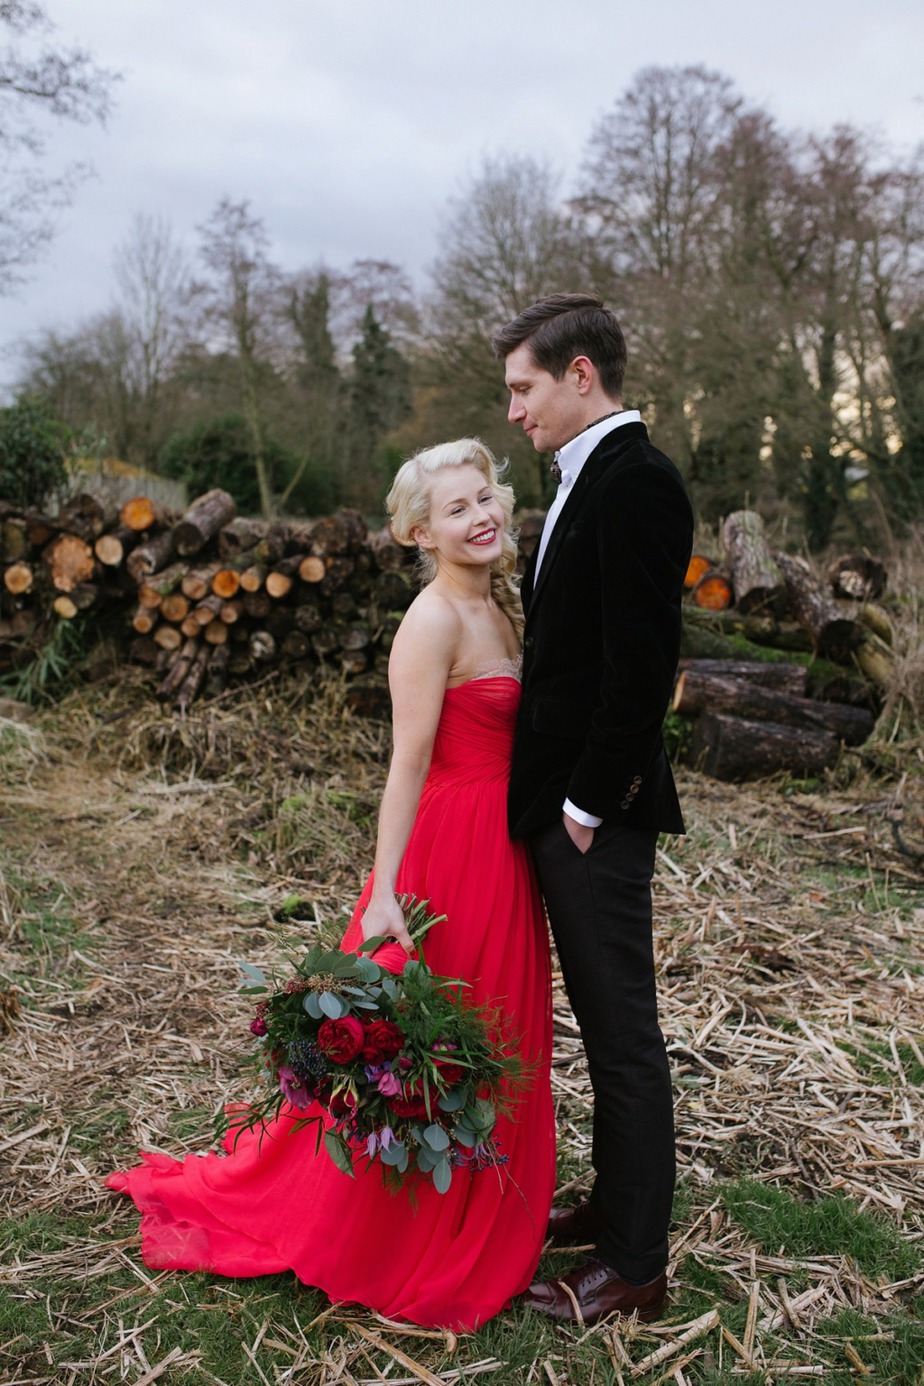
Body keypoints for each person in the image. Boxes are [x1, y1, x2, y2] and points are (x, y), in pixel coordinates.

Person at [106, 439, 556, 1332]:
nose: (481, 517)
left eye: (485, 498)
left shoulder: (502, 603)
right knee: (435, 1037)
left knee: (501, 1028)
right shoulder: (431, 621)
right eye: (457, 509)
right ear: (419, 533)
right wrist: (386, 891)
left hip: (504, 851)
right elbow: (407, 765)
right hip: (446, 857)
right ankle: (397, 1227)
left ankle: (487, 1199)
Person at [492, 293, 694, 1326]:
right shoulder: (580, 481)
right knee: (602, 1031)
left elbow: (640, 670)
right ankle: (614, 1209)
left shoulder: (639, 482)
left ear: (581, 374)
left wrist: (583, 806)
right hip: (561, 809)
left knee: (623, 1038)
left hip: (594, 817)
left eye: (524, 388)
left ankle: (635, 1265)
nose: (514, 412)